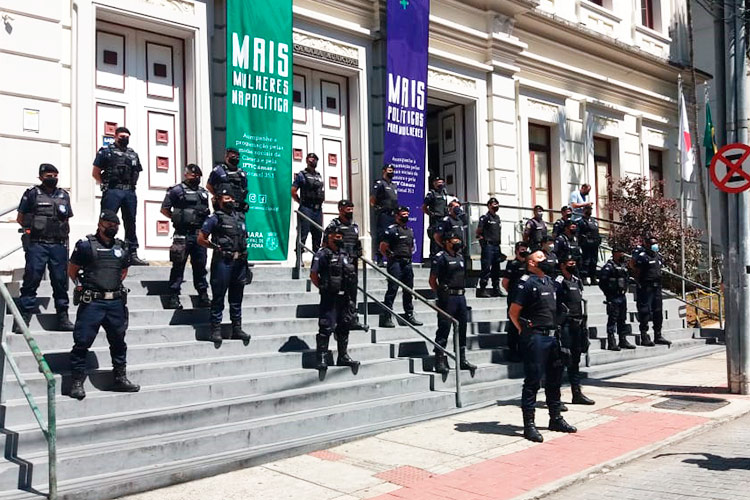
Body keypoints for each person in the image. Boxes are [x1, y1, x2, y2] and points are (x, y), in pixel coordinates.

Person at [67, 210, 140, 400]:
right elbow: (72, 270)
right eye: (109, 224)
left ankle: (120, 377)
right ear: (100, 224)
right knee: (82, 341)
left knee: (118, 341)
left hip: (115, 302)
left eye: (115, 225)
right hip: (93, 302)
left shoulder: (121, 247)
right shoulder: (85, 246)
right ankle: (76, 381)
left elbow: (123, 270)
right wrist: (84, 287)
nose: (112, 227)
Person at [509, 250, 577, 442]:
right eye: (540, 258)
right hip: (536, 338)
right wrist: (523, 331)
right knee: (533, 381)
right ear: (531, 263)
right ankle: (529, 425)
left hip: (553, 336)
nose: (545, 260)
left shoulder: (549, 281)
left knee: (555, 379)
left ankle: (555, 418)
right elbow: (513, 312)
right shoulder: (526, 283)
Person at [14, 163, 75, 333]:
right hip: (38, 244)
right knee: (32, 279)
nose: (53, 179)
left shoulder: (64, 195)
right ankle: (24, 317)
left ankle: (63, 317)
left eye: (55, 176)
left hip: (58, 245)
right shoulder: (32, 194)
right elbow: (20, 217)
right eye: (49, 176)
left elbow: (66, 219)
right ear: (41, 177)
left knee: (60, 282)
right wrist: (31, 229)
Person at [198, 188, 251, 347]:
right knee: (219, 296)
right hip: (223, 262)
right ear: (219, 200)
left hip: (239, 263)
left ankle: (237, 328)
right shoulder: (215, 218)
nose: (230, 201)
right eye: (226, 198)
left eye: (231, 198)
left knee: (237, 297)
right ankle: (215, 329)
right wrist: (215, 247)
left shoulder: (240, 218)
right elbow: (201, 239)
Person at [92, 127, 148, 265]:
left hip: (129, 191)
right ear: (115, 136)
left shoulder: (133, 154)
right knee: (107, 220)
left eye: (127, 136)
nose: (125, 138)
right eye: (122, 136)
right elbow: (96, 172)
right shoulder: (106, 152)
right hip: (113, 190)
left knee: (130, 222)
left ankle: (132, 252)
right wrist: (103, 185)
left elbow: (137, 171)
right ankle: (101, 248)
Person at [161, 164, 211, 310]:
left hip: (198, 234)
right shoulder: (176, 190)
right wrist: (177, 219)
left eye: (198, 176)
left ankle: (203, 294)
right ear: (186, 175)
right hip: (182, 234)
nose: (195, 178)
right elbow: (164, 209)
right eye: (193, 175)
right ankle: (173, 296)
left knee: (200, 266)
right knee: (178, 265)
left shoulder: (203, 192)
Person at [310, 228, 360, 372]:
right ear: (329, 237)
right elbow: (313, 274)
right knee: (326, 327)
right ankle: (322, 357)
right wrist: (323, 288)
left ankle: (343, 356)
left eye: (340, 236)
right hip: (329, 296)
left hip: (344, 296)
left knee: (344, 326)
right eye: (335, 236)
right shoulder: (322, 254)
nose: (339, 238)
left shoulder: (344, 254)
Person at [429, 234, 477, 375]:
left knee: (462, 328)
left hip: (461, 297)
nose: (458, 243)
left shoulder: (460, 256)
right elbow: (432, 280)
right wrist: (440, 294)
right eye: (454, 241)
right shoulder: (441, 257)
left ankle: (461, 359)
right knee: (444, 328)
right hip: (447, 297)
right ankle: (440, 359)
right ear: (447, 242)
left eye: (459, 240)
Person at [555, 255, 595, 406]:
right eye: (569, 261)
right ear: (562, 264)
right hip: (565, 324)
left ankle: (576, 393)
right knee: (563, 359)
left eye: (574, 261)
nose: (573, 264)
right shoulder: (558, 281)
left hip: (578, 324)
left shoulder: (576, 280)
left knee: (576, 359)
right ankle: (556, 398)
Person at [325, 200, 368, 331]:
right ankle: (336, 319)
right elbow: (326, 243)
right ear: (340, 210)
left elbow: (357, 244)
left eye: (351, 208)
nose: (350, 211)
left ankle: (352, 318)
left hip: (352, 265)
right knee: (338, 293)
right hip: (338, 265)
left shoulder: (354, 226)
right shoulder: (334, 225)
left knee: (352, 293)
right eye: (347, 209)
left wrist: (359, 251)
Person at [379, 206, 423, 328]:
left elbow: (412, 247)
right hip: (395, 263)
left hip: (407, 263)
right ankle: (386, 316)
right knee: (392, 289)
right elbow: (383, 247)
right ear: (397, 216)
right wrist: (390, 258)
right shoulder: (391, 230)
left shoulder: (410, 230)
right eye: (403, 214)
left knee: (408, 290)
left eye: (407, 214)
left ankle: (409, 314)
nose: (405, 216)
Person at [631, 235, 671, 347]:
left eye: (656, 243)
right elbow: (636, 271)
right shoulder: (643, 257)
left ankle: (658, 335)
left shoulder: (658, 256)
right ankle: (644, 336)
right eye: (653, 244)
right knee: (645, 312)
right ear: (647, 245)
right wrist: (639, 284)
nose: (655, 246)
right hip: (646, 288)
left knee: (658, 312)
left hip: (657, 288)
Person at [599, 245, 635, 351]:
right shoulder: (608, 267)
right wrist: (609, 293)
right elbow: (602, 282)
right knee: (612, 319)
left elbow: (627, 278)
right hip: (613, 297)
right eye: (620, 252)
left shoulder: (623, 265)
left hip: (622, 296)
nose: (622, 254)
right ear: (615, 253)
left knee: (622, 319)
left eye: (623, 252)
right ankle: (611, 341)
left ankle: (622, 340)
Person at [292, 153, 325, 256]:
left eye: (314, 159)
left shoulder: (319, 176)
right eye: (310, 159)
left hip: (318, 210)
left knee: (318, 235)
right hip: (306, 208)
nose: (312, 161)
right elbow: (293, 191)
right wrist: (300, 201)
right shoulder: (301, 175)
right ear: (307, 161)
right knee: (303, 234)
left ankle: (316, 260)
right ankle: (299, 258)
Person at [502, 241, 529, 362]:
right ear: (516, 251)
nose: (524, 252)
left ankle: (523, 350)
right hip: (514, 298)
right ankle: (512, 351)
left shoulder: (529, 264)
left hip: (526, 299)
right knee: (513, 326)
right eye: (522, 250)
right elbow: (505, 283)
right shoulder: (512, 264)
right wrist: (513, 293)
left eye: (525, 249)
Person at [476, 197, 506, 298]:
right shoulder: (485, 217)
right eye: (493, 204)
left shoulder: (497, 218)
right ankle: (483, 289)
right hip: (488, 246)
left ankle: (496, 289)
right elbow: (478, 232)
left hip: (497, 246)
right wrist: (483, 244)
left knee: (496, 268)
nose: (495, 206)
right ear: (489, 206)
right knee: (486, 268)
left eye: (497, 204)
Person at [370, 164, 399, 266]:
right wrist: (377, 209)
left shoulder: (393, 185)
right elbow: (373, 199)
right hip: (384, 215)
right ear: (384, 171)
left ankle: (390, 258)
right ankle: (380, 259)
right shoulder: (380, 183)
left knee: (392, 236)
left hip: (393, 215)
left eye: (392, 170)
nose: (391, 172)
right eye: (389, 170)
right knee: (382, 236)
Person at [207, 147, 249, 212]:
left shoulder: (242, 173)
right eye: (233, 156)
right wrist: (217, 196)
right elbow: (209, 186)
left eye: (237, 157)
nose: (235, 158)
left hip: (238, 208)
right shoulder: (218, 171)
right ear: (226, 157)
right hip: (223, 208)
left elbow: (244, 188)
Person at [422, 176, 449, 259]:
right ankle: (433, 257)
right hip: (435, 220)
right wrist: (431, 214)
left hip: (443, 219)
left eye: (441, 182)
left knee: (443, 237)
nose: (440, 184)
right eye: (438, 182)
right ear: (434, 184)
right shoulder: (432, 193)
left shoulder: (444, 193)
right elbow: (424, 207)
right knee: (435, 239)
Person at [577, 205, 601, 284]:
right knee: (586, 261)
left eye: (590, 209)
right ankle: (584, 278)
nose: (589, 211)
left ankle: (593, 278)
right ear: (584, 210)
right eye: (588, 209)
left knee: (594, 261)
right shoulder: (581, 221)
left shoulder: (594, 221)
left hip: (594, 244)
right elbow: (578, 234)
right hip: (586, 245)